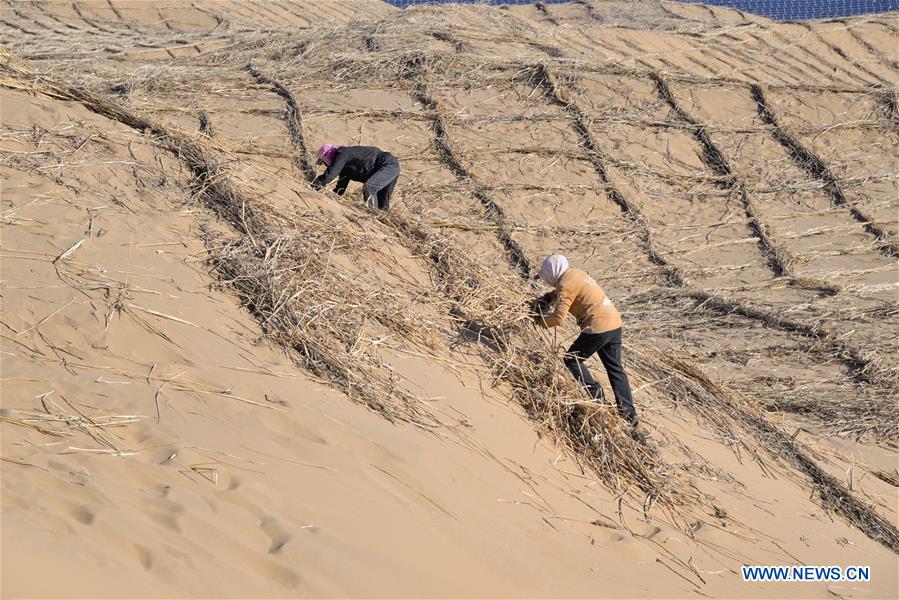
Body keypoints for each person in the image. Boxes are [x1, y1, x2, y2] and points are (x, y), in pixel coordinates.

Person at [532, 255, 639, 428]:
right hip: (614, 323)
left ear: (553, 273)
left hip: (598, 327)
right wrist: (550, 297)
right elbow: (566, 291)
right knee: (615, 368)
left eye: (546, 277)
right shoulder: (575, 273)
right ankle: (629, 414)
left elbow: (559, 318)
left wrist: (538, 321)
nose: (547, 281)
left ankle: (598, 399)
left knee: (571, 359)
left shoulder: (566, 285)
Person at [311, 144, 400, 211]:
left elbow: (329, 175)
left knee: (370, 187)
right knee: (382, 207)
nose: (325, 165)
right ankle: (379, 223)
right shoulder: (346, 163)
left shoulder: (343, 154)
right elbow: (341, 187)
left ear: (327, 155)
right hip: (389, 167)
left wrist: (312, 187)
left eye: (323, 162)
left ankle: (373, 216)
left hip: (388, 165)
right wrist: (333, 197)